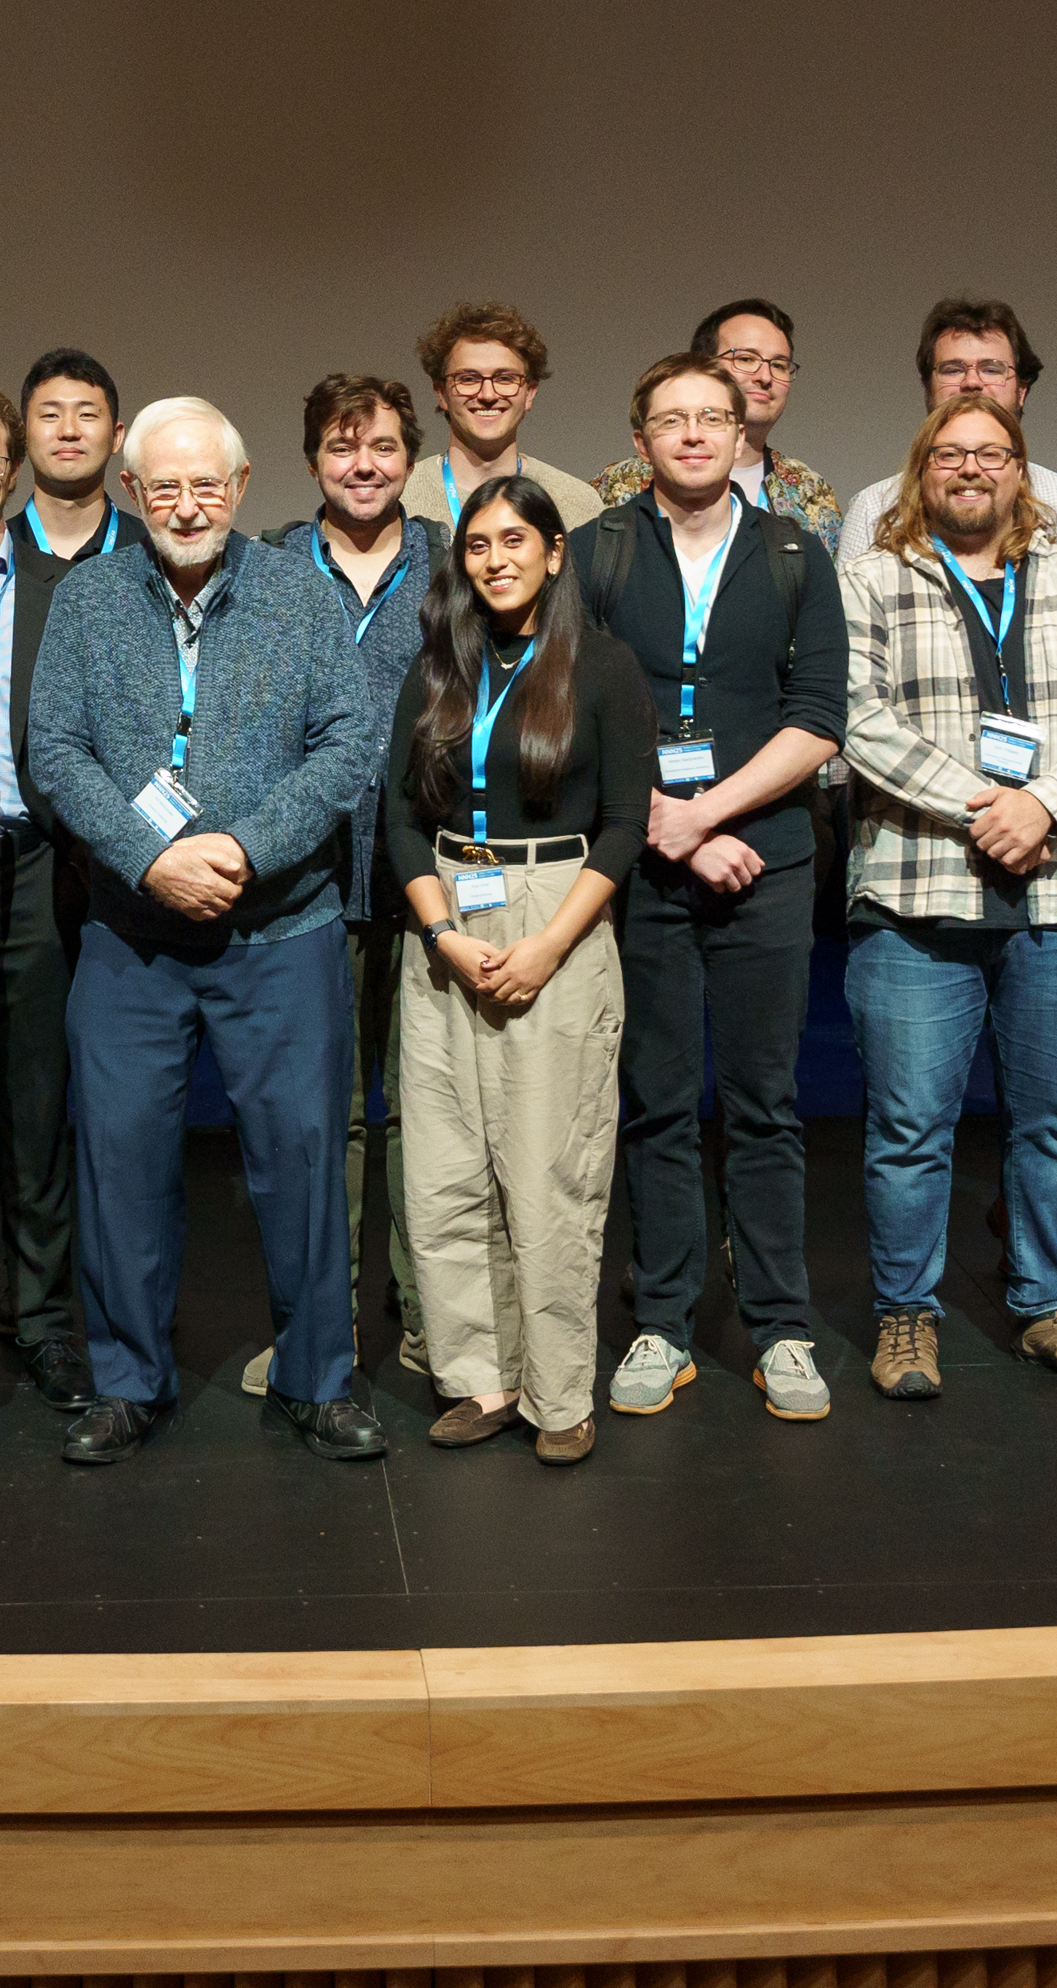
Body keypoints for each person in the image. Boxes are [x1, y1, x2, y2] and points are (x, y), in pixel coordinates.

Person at [31, 396, 384, 1465]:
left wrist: (241, 850)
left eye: (207, 483)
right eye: (164, 485)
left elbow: (347, 741)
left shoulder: (298, 595)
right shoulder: (89, 598)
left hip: (281, 926)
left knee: (305, 1159)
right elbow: (54, 749)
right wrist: (149, 859)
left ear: (239, 489)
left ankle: (318, 1379)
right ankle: (128, 1381)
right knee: (123, 1159)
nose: (187, 503)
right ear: (132, 493)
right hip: (132, 937)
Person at [837, 398, 1057, 1399]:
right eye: (950, 452)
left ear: (1021, 469)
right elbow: (856, 718)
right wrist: (988, 805)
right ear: (920, 467)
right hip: (915, 898)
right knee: (907, 1130)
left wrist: (1046, 804)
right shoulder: (869, 578)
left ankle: (1046, 1304)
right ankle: (905, 1317)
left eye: (991, 452)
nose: (970, 467)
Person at [570, 355, 848, 1421]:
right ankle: (664, 1319)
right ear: (638, 440)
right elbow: (572, 706)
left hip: (767, 865)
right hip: (641, 865)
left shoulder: (793, 553)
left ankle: (782, 1327)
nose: (694, 435)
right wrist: (668, 826)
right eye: (671, 420)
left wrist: (712, 812)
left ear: (744, 435)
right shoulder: (597, 550)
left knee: (767, 1105)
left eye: (714, 418)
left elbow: (819, 714)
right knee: (657, 1101)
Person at [376, 474, 650, 1462]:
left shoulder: (605, 666)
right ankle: (479, 1378)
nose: (495, 558)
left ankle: (559, 1390)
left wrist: (546, 944)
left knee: (548, 1170)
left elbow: (625, 825)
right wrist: (444, 933)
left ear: (554, 549)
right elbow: (401, 822)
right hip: (448, 916)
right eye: (479, 544)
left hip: (556, 911)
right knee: (446, 1170)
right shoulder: (439, 667)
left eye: (514, 539)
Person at [0, 351, 137, 1409]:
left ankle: (40, 1315)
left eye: (82, 413)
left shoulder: (69, 579)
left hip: (39, 863)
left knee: (36, 1098)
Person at [269, 371, 436, 1396]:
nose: (363, 464)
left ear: (410, 458)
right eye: (342, 447)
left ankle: (428, 1320)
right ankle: (315, 1328)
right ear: (313, 460)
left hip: (428, 881)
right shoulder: (275, 566)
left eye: (381, 446)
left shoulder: (456, 561)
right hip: (307, 884)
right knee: (319, 1115)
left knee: (424, 1112)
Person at [840, 299, 1057, 539]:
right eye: (953, 370)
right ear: (928, 389)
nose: (972, 382)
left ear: (1021, 391)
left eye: (991, 369)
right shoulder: (874, 509)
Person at [598, 301, 842, 533]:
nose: (765, 377)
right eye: (746, 359)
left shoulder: (810, 491)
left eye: (779, 365)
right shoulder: (619, 485)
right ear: (702, 367)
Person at [409, 302, 603, 531]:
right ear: (441, 393)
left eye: (505, 379)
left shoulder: (576, 505)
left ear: (529, 393)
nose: (488, 395)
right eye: (468, 379)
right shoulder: (401, 498)